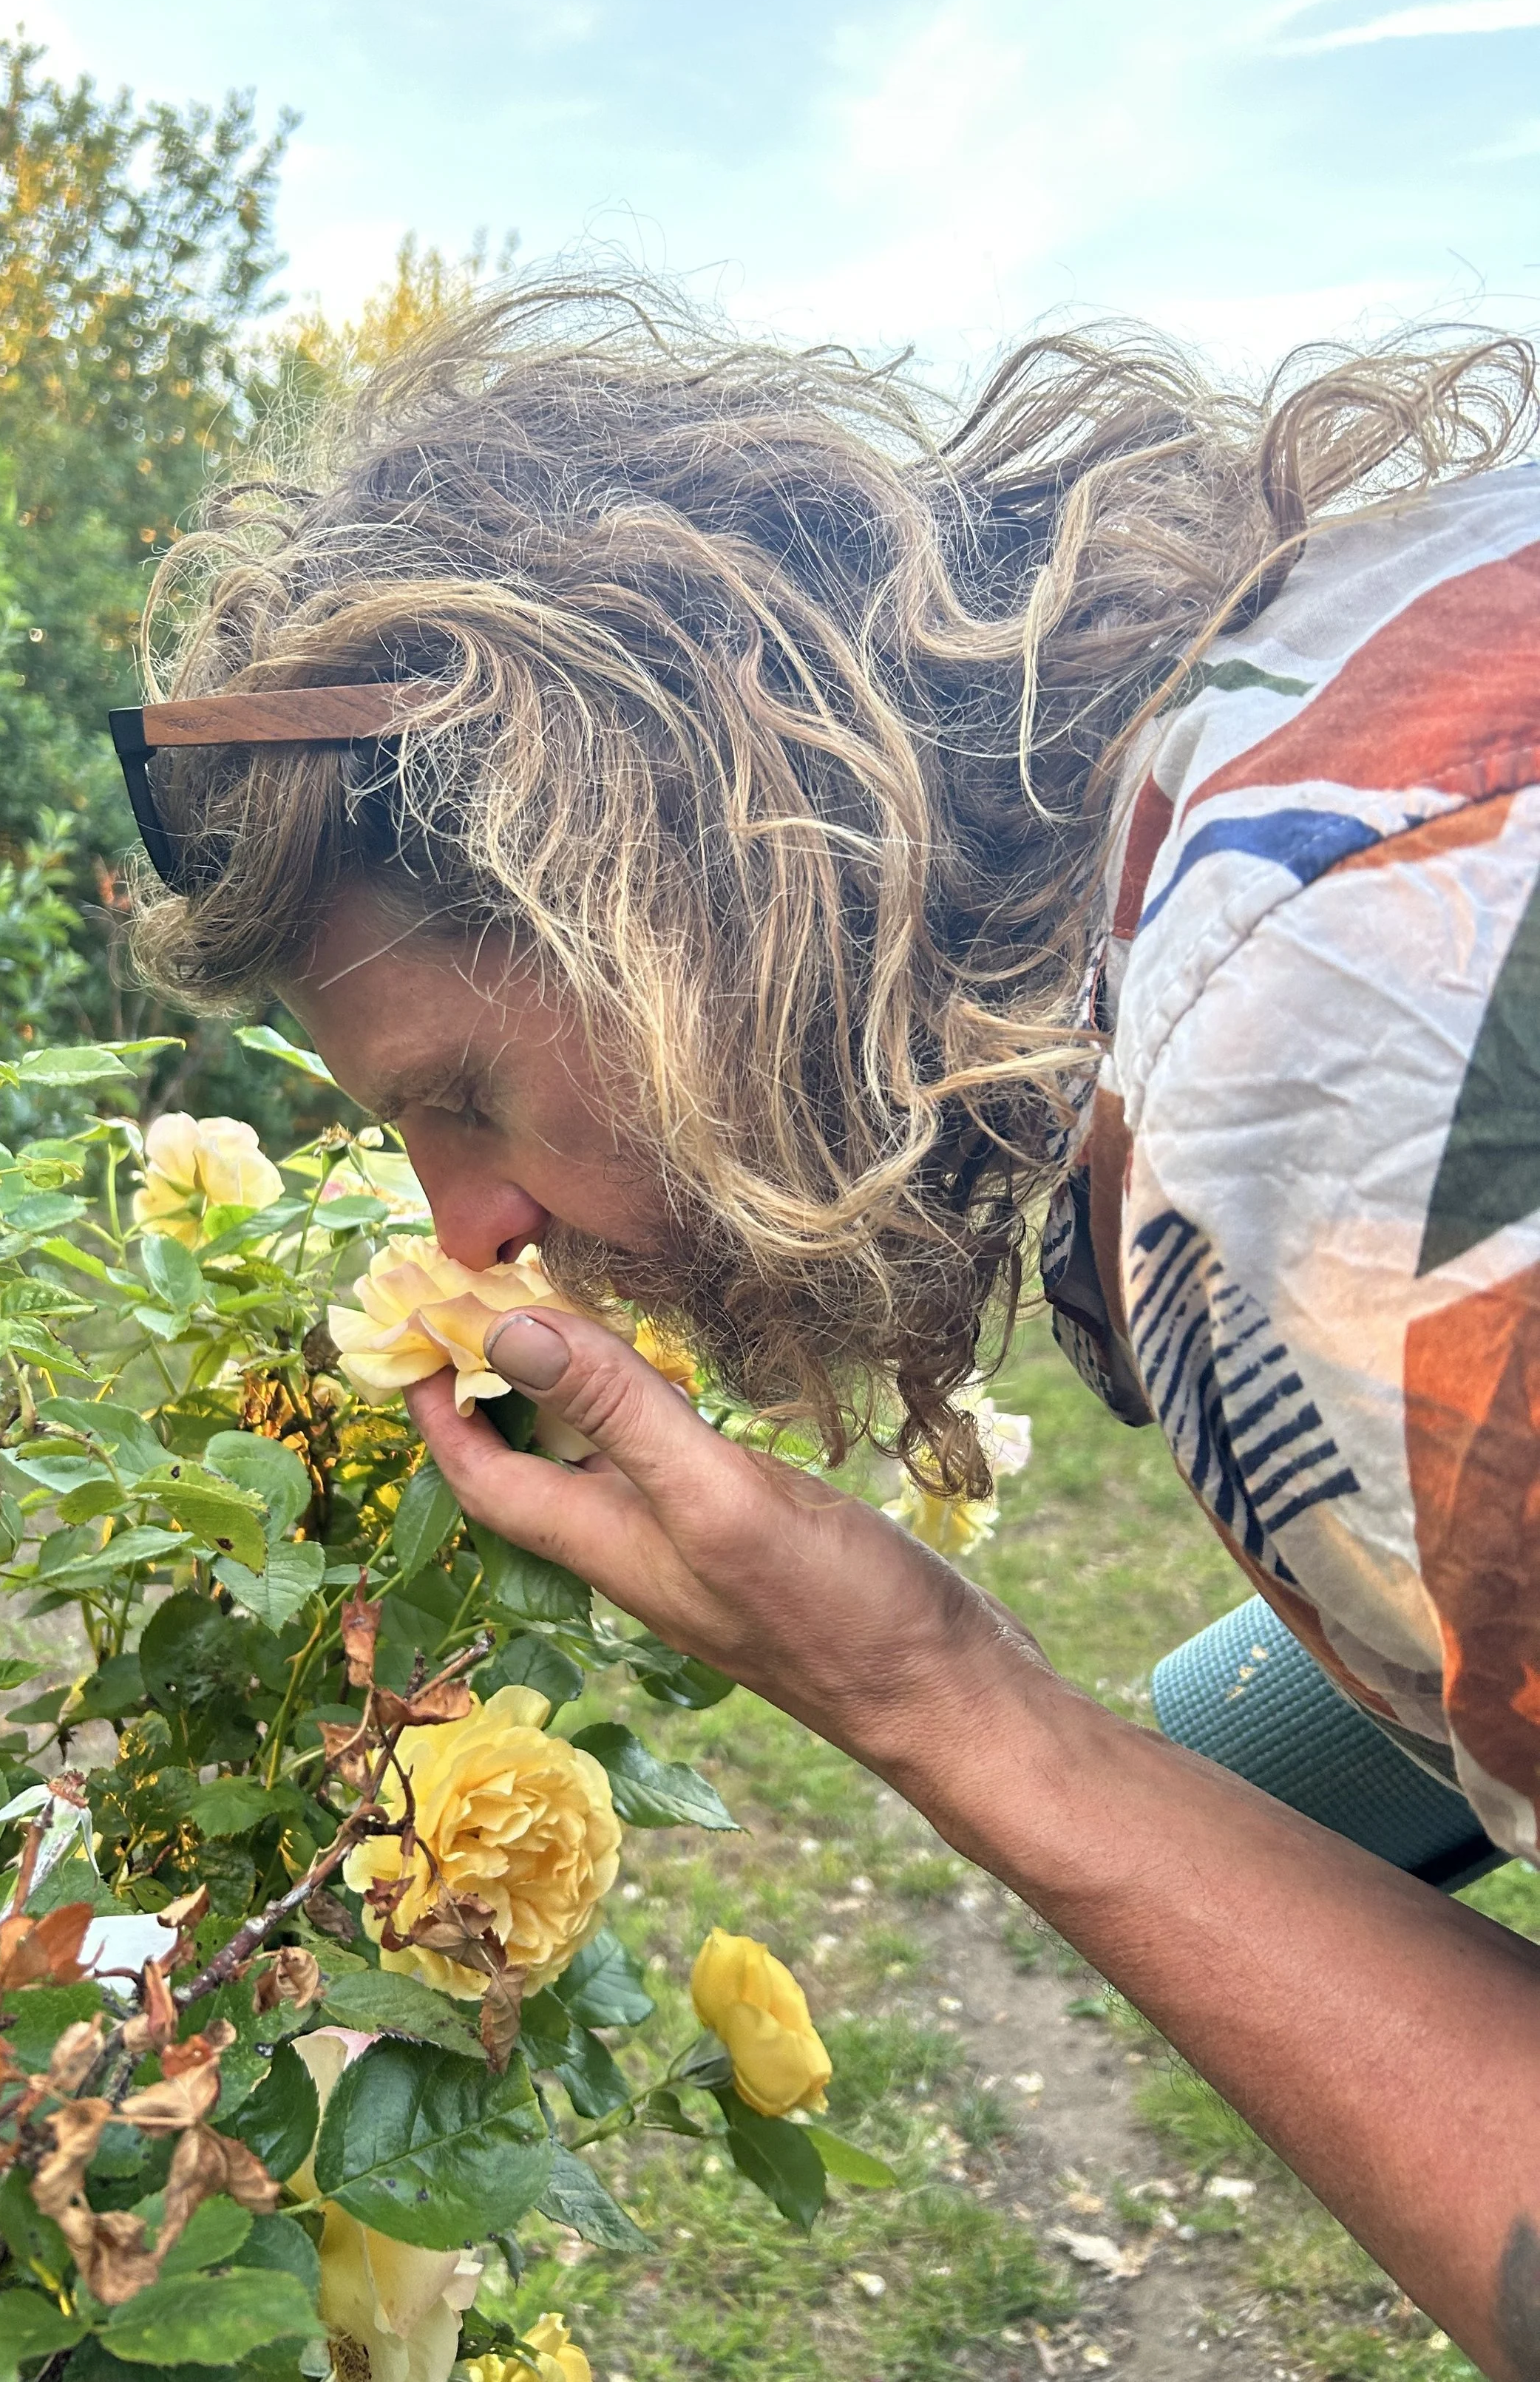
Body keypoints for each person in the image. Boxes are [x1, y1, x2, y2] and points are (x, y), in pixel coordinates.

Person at [124, 285, 1540, 2378]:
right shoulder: (1338, 683)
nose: (473, 1226)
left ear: (667, 889)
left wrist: (935, 1697)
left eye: (461, 1097)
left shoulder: (1299, 1088)